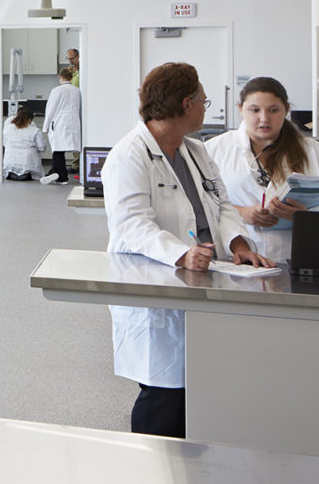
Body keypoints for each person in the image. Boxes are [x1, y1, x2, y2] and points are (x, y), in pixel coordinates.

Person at [101, 63, 272, 438]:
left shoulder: (195, 150)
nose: (205, 107)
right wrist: (181, 254)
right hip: (156, 284)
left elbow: (222, 204)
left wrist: (239, 243)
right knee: (162, 391)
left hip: (202, 280)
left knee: (197, 388)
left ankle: (191, 473)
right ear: (185, 104)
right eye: (203, 101)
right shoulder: (129, 156)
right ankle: (149, 472)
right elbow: (132, 224)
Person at [205, 76, 319, 264]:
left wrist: (304, 216)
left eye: (273, 110)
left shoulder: (315, 152)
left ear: (286, 110)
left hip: (298, 257)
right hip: (239, 260)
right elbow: (199, 204)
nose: (264, 118)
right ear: (241, 109)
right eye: (254, 110)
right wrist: (241, 212)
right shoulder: (214, 150)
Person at [41, 65, 82, 183]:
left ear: (61, 77)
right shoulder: (77, 91)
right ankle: (55, 172)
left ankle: (60, 176)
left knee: (57, 149)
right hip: (73, 121)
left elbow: (51, 109)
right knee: (63, 149)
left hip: (60, 122)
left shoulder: (56, 90)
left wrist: (46, 126)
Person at [1, 106, 48, 180]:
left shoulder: (8, 128)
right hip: (28, 164)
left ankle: (13, 173)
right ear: (29, 120)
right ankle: (25, 174)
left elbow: (4, 144)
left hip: (9, 163)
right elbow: (42, 147)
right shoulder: (35, 130)